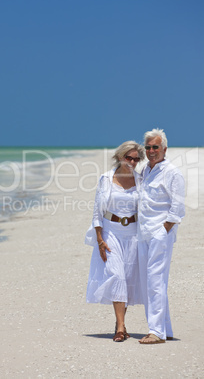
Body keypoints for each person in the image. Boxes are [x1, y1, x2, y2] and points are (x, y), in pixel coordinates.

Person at [85, 141, 145, 342]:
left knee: (126, 279)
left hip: (134, 235)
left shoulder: (141, 179)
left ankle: (121, 324)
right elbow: (97, 212)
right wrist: (100, 239)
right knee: (117, 275)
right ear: (120, 157)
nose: (133, 162)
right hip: (111, 232)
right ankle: (120, 328)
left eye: (136, 159)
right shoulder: (106, 178)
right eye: (129, 158)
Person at [137, 128, 185, 344]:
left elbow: (178, 208)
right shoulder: (145, 170)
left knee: (155, 280)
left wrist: (163, 230)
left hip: (159, 233)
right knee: (149, 281)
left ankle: (155, 332)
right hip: (143, 233)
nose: (151, 150)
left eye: (155, 147)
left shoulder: (173, 173)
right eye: (148, 147)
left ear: (164, 149)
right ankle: (165, 328)